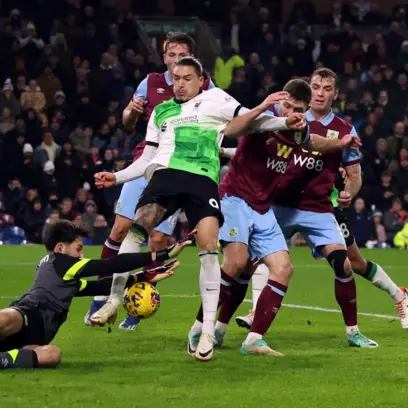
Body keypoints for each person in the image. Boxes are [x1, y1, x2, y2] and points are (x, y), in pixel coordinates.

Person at [91, 56, 306, 361]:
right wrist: (117, 176)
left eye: (186, 78)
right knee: (136, 229)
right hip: (165, 176)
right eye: (176, 78)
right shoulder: (161, 112)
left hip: (202, 179)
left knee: (208, 247)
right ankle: (113, 300)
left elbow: (253, 122)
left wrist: (285, 121)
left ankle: (206, 331)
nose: (179, 84)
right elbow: (145, 159)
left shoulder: (216, 99)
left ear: (201, 80)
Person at [187, 78, 361, 357]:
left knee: (283, 268)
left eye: (296, 109)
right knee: (236, 262)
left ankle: (254, 339)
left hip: (263, 207)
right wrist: (262, 106)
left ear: (304, 111)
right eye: (286, 105)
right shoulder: (264, 120)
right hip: (236, 199)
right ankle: (199, 327)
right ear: (279, 100)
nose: (289, 111)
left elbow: (312, 141)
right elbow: (232, 128)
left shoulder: (298, 129)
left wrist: (340, 142)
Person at [0, 221, 192, 370]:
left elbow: (101, 286)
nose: (81, 253)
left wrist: (148, 277)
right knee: (2, 318)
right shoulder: (61, 263)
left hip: (30, 339)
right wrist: (159, 254)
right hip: (25, 317)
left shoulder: (66, 276)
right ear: (61, 248)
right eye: (78, 248)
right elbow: (112, 265)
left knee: (54, 354)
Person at [85, 32, 215, 331]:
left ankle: (136, 304)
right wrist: (131, 112)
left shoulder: (205, 85)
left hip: (180, 168)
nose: (174, 61)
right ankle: (105, 294)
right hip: (147, 160)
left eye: (181, 55)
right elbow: (128, 122)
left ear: (192, 61)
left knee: (157, 239)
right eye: (170, 54)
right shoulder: (151, 82)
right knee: (120, 228)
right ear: (165, 56)